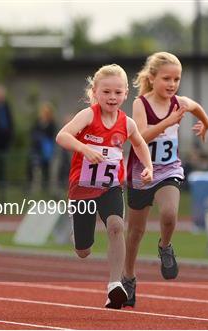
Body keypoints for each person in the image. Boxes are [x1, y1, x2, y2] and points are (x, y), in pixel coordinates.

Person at [56, 64, 153, 309]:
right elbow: (62, 136)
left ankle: (114, 286)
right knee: (83, 251)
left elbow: (140, 144)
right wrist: (85, 149)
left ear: (125, 95)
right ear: (95, 93)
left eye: (118, 92)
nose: (112, 97)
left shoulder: (127, 123)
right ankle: (78, 235)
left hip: (110, 187)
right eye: (107, 92)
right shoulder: (88, 116)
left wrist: (148, 166)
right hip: (83, 188)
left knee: (117, 225)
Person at [122, 52, 208, 308]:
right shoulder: (141, 104)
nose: (172, 84)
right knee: (136, 232)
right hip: (142, 172)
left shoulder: (179, 102)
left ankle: (165, 245)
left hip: (169, 169)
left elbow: (196, 107)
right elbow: (141, 136)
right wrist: (168, 122)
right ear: (152, 78)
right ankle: (128, 276)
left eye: (177, 79)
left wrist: (206, 123)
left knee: (170, 213)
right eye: (166, 79)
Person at [26, 102, 57, 192]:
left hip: (46, 149)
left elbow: (52, 135)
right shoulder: (38, 122)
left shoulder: (51, 123)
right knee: (34, 167)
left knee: (46, 168)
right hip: (36, 149)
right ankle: (33, 186)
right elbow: (32, 132)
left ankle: (45, 187)